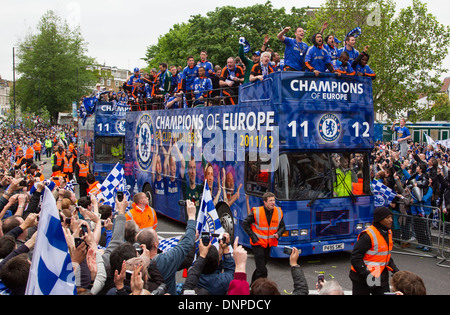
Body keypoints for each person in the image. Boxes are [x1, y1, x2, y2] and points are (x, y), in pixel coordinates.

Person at [136, 199, 197, 295]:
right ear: (155, 244)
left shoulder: (133, 261)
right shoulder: (164, 260)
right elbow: (186, 243)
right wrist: (192, 216)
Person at [350, 207, 400, 295]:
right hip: (363, 277)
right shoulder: (367, 235)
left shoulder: (388, 233)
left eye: (391, 217)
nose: (391, 220)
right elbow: (355, 258)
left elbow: (385, 256)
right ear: (380, 219)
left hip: (379, 275)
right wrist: (368, 275)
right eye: (388, 217)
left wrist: (397, 272)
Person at [242, 191, 285, 284]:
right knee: (262, 270)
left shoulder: (278, 211)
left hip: (268, 244)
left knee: (260, 267)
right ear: (265, 202)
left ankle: (252, 285)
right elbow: (245, 223)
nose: (273, 202)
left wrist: (279, 233)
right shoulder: (257, 212)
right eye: (270, 201)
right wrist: (253, 237)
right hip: (257, 243)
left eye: (273, 200)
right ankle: (262, 287)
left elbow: (283, 226)